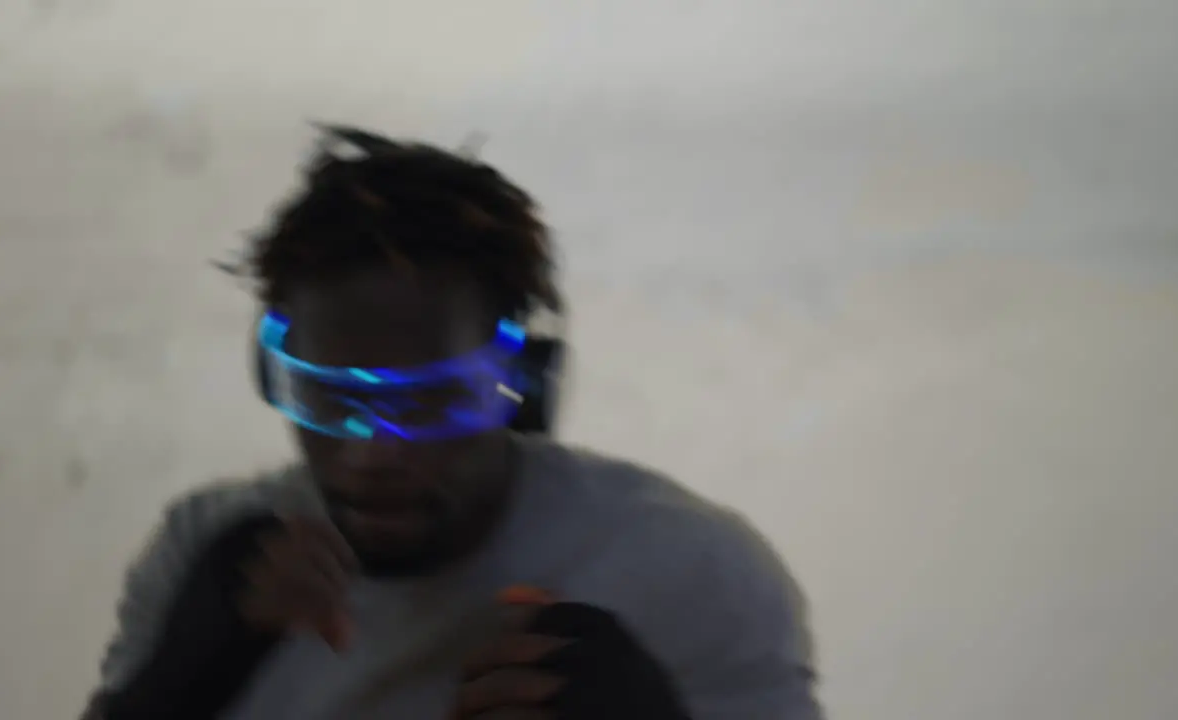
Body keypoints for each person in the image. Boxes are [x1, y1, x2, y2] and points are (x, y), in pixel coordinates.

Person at [80, 126, 822, 720]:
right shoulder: (206, 557)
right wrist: (170, 689)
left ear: (522, 385)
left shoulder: (689, 572)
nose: (368, 454)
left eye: (427, 400)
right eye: (329, 398)